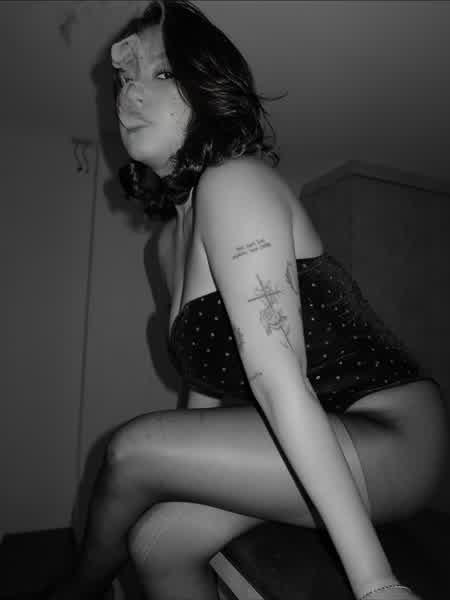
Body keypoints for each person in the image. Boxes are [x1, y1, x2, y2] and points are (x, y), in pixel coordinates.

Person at [50, 1, 448, 599]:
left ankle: (75, 591)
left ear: (207, 85)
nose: (130, 93)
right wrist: (181, 469)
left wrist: (376, 583)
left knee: (132, 450)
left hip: (393, 434)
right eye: (125, 79)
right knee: (156, 544)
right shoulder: (164, 248)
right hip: (313, 433)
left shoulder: (234, 181)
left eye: (161, 72)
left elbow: (278, 379)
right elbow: (205, 391)